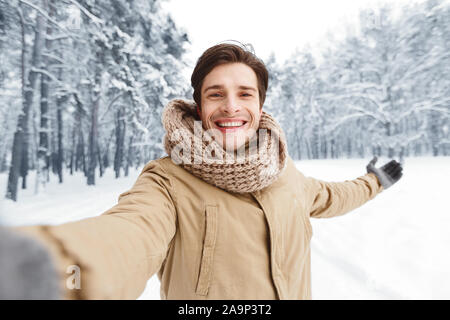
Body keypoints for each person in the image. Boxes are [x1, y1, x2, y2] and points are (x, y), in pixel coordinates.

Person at [11, 41, 403, 300]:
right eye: (216, 94)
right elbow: (128, 236)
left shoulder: (284, 173)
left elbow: (332, 196)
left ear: (260, 107)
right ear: (199, 107)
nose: (231, 106)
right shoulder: (167, 181)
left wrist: (374, 182)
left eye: (244, 94)